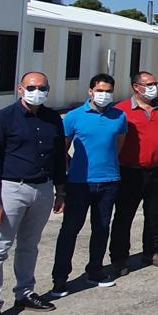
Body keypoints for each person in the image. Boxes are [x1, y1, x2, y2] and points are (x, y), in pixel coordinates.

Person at [0, 73, 66, 315]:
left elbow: (59, 157)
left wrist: (60, 190)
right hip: (11, 190)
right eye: (32, 87)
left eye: (43, 88)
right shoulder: (1, 120)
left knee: (29, 245)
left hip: (43, 189)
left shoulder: (52, 119)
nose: (37, 91)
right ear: (20, 89)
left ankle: (25, 292)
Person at [51, 73, 128, 295]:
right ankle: (60, 278)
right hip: (79, 183)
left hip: (109, 181)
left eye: (109, 91)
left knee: (102, 228)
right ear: (90, 91)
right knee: (70, 230)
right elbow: (62, 150)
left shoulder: (119, 116)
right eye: (100, 90)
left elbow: (118, 146)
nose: (105, 95)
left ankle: (95, 271)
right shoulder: (74, 117)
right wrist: (72, 168)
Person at [109, 71, 158, 277]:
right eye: (148, 84)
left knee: (157, 214)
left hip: (157, 171)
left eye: (154, 83)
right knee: (124, 216)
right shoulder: (120, 110)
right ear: (135, 87)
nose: (153, 87)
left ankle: (152, 252)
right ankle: (119, 258)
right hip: (130, 171)